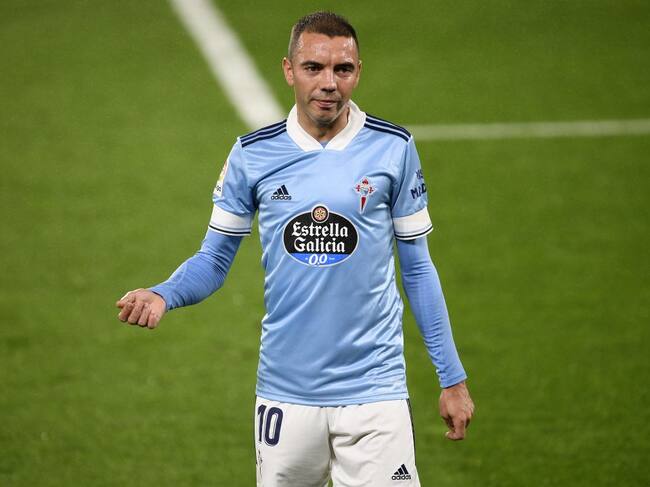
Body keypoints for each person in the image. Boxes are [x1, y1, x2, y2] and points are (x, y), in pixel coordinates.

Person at [116, 11, 474, 487]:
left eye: (342, 69)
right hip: (286, 394)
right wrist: (165, 293)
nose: (329, 83)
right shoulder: (252, 154)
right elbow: (215, 259)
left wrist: (452, 379)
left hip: (375, 391)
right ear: (289, 70)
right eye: (313, 67)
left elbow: (418, 270)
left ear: (358, 72)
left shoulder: (393, 148)